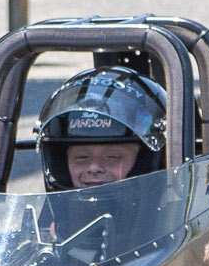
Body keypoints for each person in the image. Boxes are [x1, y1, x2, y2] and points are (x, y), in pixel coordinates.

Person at [36, 66, 167, 190]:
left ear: (143, 161)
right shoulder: (41, 207)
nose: (94, 168)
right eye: (81, 157)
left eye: (113, 157)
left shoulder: (173, 206)